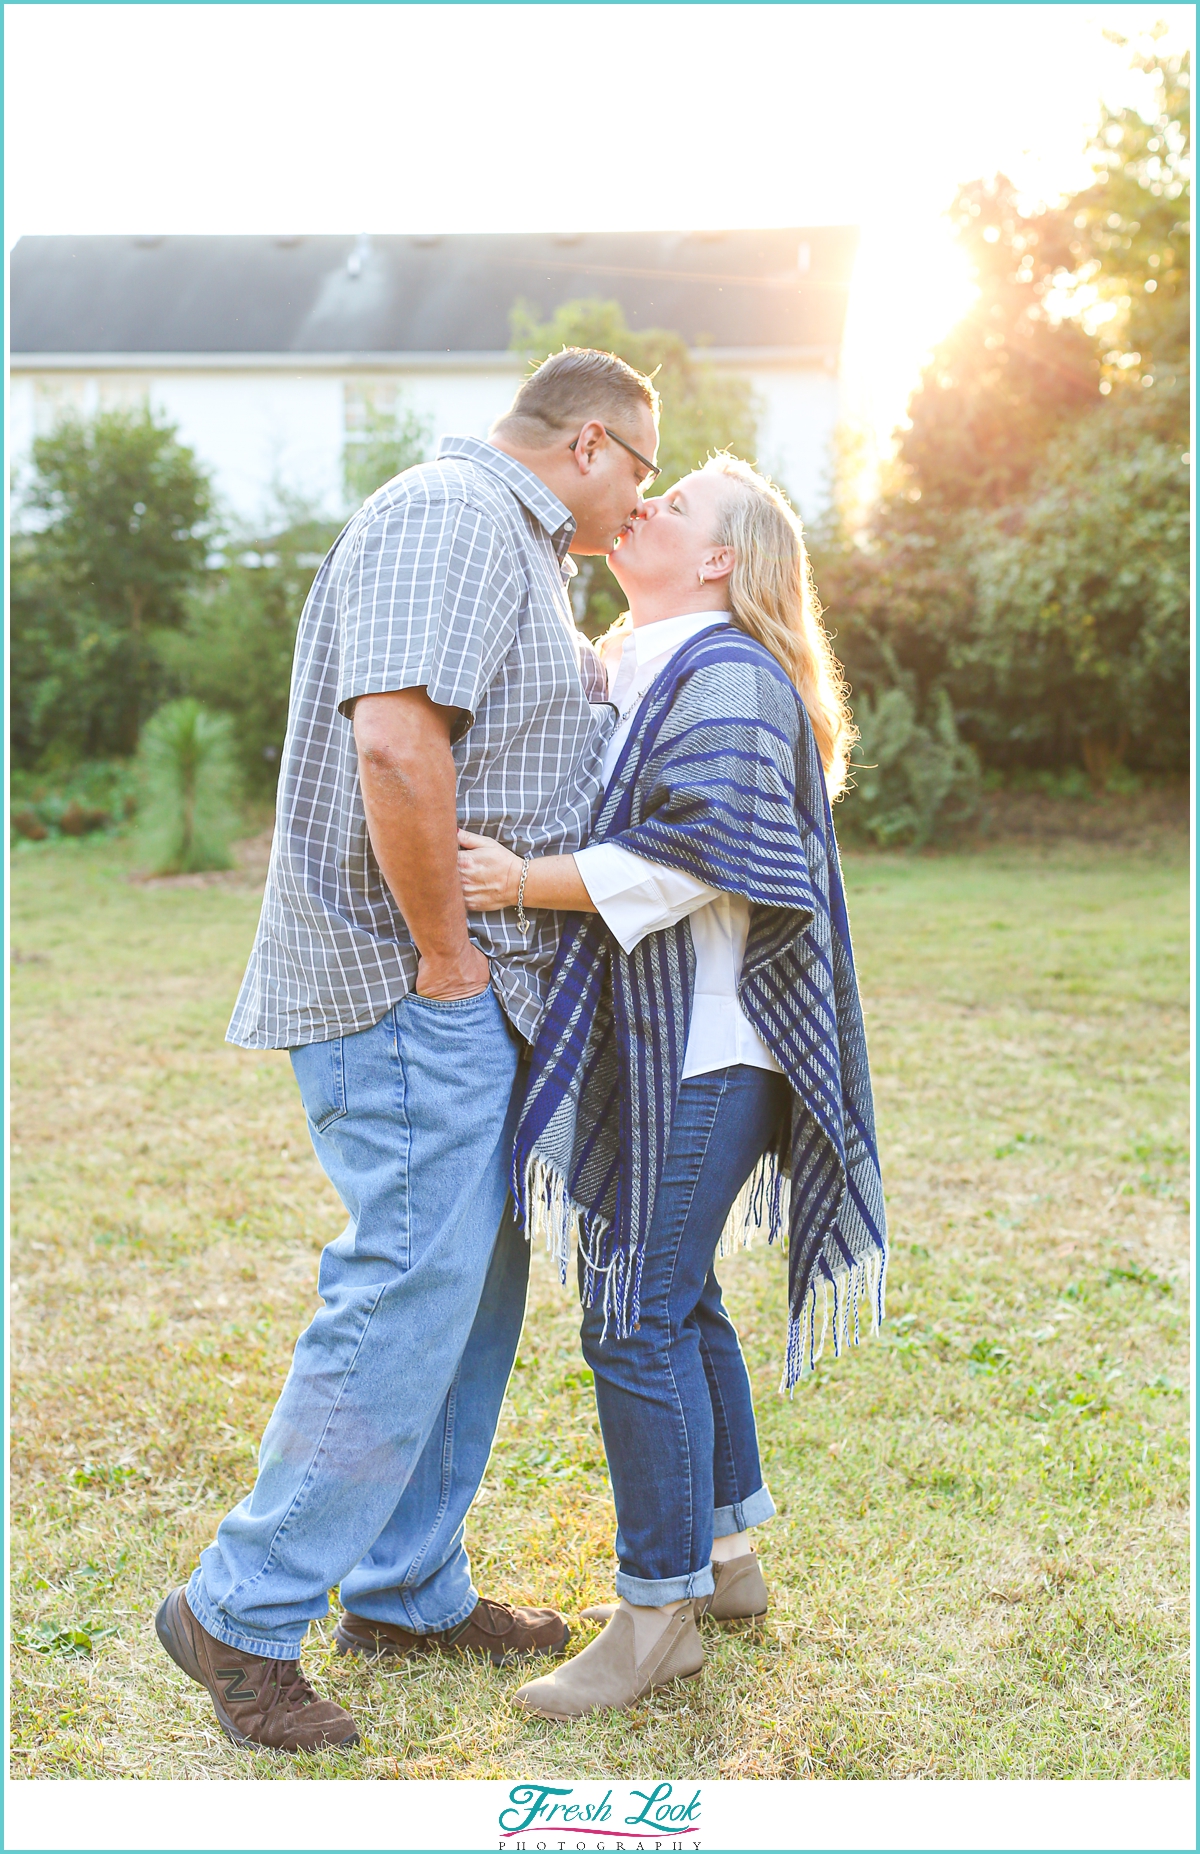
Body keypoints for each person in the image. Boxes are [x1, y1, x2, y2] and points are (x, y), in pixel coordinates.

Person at [154, 348, 663, 1753]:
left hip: (463, 994)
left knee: (468, 1287)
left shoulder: (507, 539)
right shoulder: (449, 514)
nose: (646, 499)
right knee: (407, 1283)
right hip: (407, 982)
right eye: (647, 471)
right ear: (595, 443)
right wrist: (447, 953)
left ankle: (404, 1583)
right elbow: (395, 745)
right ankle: (240, 1612)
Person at [457, 454, 888, 1720]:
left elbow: (708, 854)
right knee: (684, 1299)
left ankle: (659, 1616)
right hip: (683, 1050)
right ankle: (731, 1561)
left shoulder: (730, 675)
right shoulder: (639, 661)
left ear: (720, 561)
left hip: (715, 1049)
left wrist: (515, 883)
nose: (641, 508)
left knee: (632, 1316)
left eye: (675, 503)